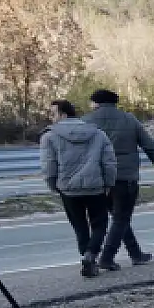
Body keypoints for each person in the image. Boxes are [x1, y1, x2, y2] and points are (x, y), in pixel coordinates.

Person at [84, 89, 154, 269]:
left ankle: (135, 253)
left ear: (96, 103)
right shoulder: (129, 119)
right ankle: (107, 258)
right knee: (121, 218)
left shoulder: (86, 122)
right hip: (124, 177)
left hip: (97, 179)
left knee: (118, 218)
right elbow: (149, 145)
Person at [39, 99, 116, 278]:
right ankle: (91, 254)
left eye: (53, 114)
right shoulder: (97, 133)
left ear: (63, 114)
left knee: (79, 225)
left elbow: (48, 166)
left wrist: (53, 185)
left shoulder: (49, 137)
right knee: (99, 224)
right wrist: (109, 183)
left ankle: (86, 254)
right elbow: (109, 162)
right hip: (95, 188)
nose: (52, 118)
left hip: (68, 190)